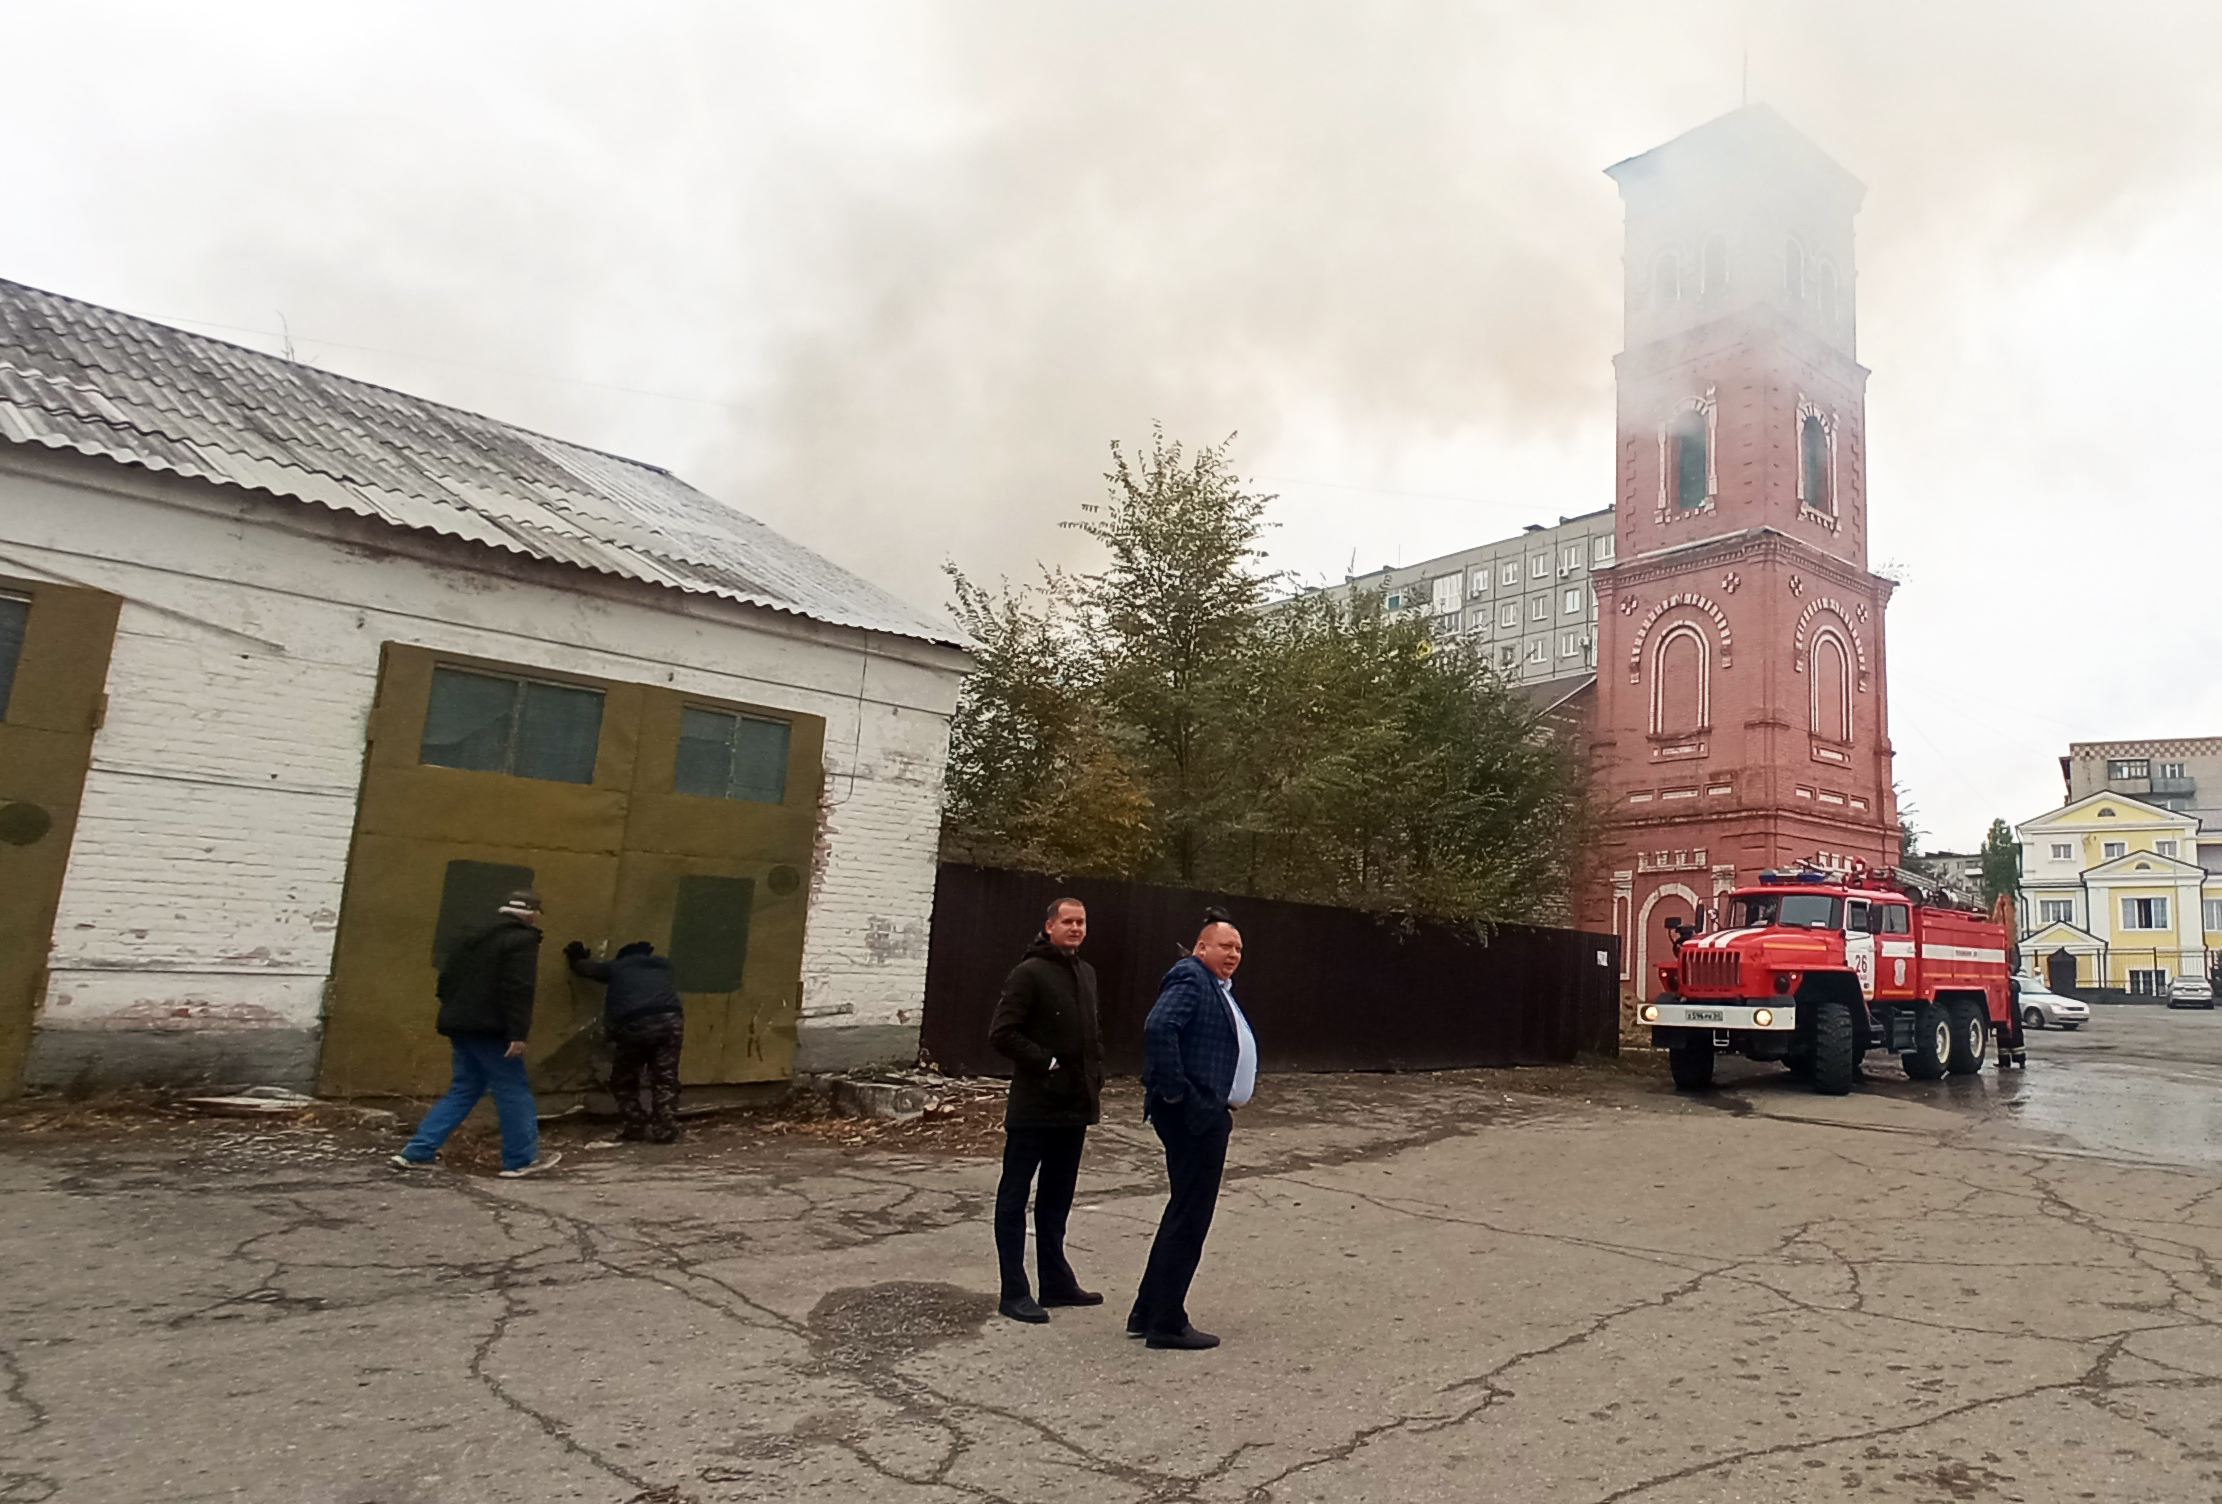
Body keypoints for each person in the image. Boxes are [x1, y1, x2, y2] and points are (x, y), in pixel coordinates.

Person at [1129, 907, 1256, 1351]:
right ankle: (1167, 1321)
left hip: (1202, 1112)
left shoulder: (1214, 986)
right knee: (1190, 1216)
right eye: (1226, 946)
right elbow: (1159, 1026)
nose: (1234, 954)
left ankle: (1148, 1310)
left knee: (1182, 1210)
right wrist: (1176, 1094)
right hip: (1194, 1114)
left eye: (1239, 948)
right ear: (1202, 946)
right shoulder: (1190, 977)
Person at [986, 897, 1105, 1324]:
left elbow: (1091, 1033)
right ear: (1049, 926)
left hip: (1073, 1107)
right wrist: (1047, 1062)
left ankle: (1055, 1283)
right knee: (1014, 1197)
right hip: (1034, 1107)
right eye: (1067, 921)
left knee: (1057, 1199)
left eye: (1081, 921)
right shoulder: (1029, 972)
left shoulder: (1085, 973)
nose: (1075, 928)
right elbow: (1002, 1033)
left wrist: (1094, 1076)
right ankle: (1013, 1291)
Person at [393, 890, 562, 1177]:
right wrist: (517, 1034)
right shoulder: (522, 939)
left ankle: (417, 1151)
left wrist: (457, 1012)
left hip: (459, 1024)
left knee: (464, 1088)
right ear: (531, 913)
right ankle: (520, 1160)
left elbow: (444, 981)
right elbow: (517, 988)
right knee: (513, 1090)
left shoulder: (470, 935)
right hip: (493, 1029)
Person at [565, 939, 686, 1142]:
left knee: (624, 1079)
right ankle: (665, 1128)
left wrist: (578, 957)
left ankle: (636, 1124)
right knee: (665, 1079)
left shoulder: (618, 967)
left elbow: (586, 969)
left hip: (635, 1024)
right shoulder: (664, 967)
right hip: (671, 1022)